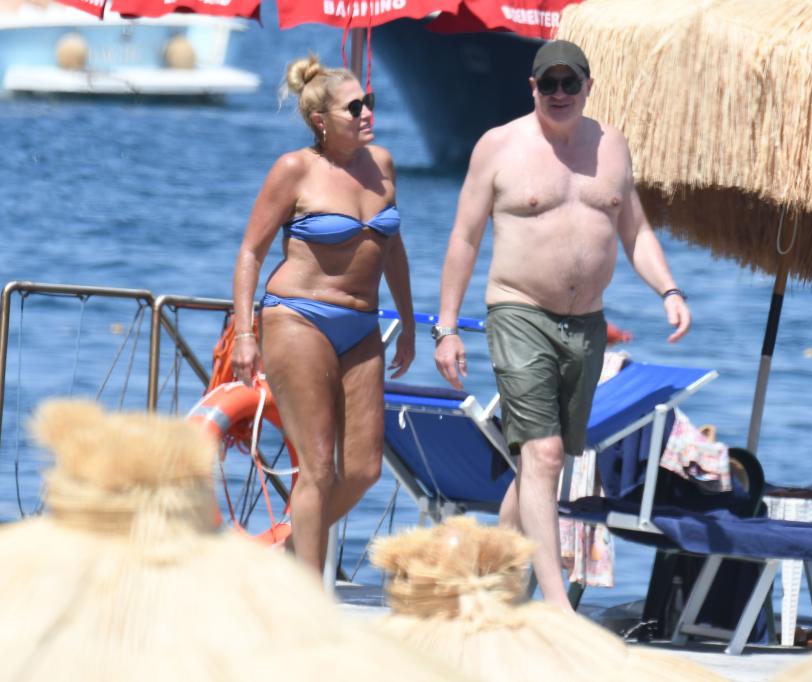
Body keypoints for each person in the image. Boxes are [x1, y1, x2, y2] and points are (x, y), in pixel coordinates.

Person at [433, 40, 691, 609]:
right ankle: (556, 608)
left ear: (587, 87)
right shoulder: (499, 146)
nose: (558, 94)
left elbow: (637, 233)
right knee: (545, 455)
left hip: (587, 325)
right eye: (547, 83)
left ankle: (485, 584)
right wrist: (446, 327)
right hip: (519, 312)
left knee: (539, 467)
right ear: (532, 87)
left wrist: (669, 290)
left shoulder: (612, 147)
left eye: (568, 83)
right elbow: (464, 238)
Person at [231, 56, 415, 573]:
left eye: (369, 102)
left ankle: (284, 556)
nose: (366, 113)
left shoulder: (381, 164)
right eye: (353, 107)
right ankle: (307, 602)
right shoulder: (295, 169)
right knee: (317, 469)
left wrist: (408, 321)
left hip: (364, 325)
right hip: (298, 318)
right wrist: (246, 333)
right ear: (320, 120)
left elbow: (393, 249)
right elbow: (250, 253)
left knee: (363, 469)